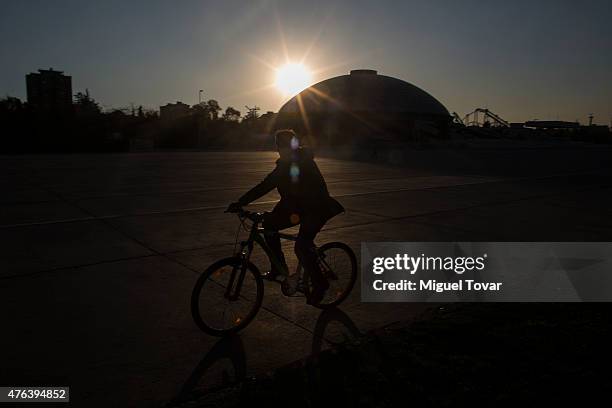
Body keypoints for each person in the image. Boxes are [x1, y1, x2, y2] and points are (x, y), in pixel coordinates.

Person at [227, 129, 344, 304]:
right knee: (268, 228)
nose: (281, 150)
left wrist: (287, 209)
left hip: (316, 207)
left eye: (285, 146)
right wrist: (240, 202)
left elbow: (306, 191)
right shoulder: (283, 165)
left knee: (301, 246)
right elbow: (265, 185)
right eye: (279, 146)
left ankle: (320, 285)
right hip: (295, 207)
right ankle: (278, 268)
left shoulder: (304, 162)